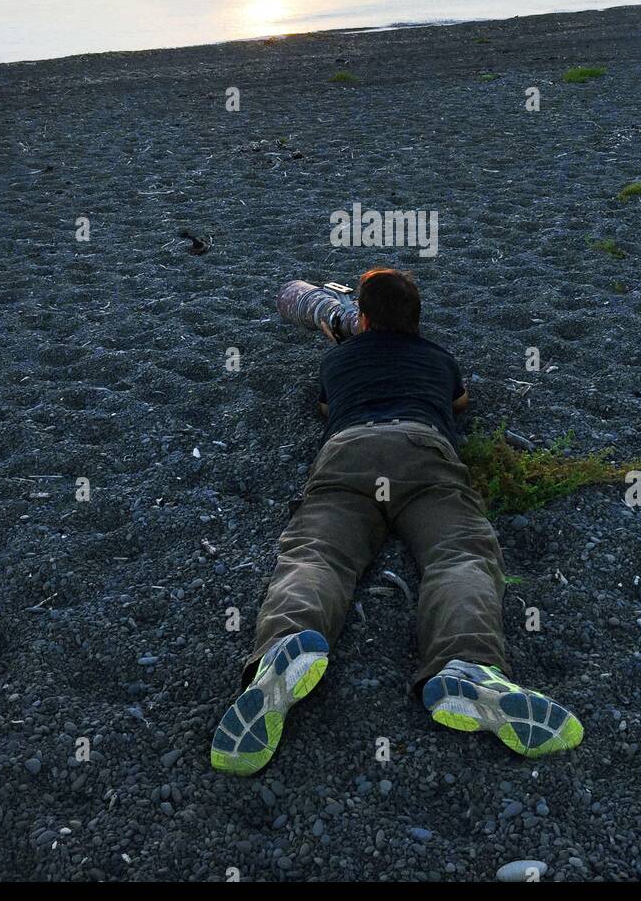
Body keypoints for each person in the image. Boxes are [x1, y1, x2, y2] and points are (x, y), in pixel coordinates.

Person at [210, 267, 583, 775]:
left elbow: (325, 407)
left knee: (317, 552)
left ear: (360, 319)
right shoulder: (438, 359)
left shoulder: (338, 359)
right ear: (417, 320)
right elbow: (460, 405)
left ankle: (282, 647)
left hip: (349, 454)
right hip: (422, 452)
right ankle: (466, 664)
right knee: (459, 553)